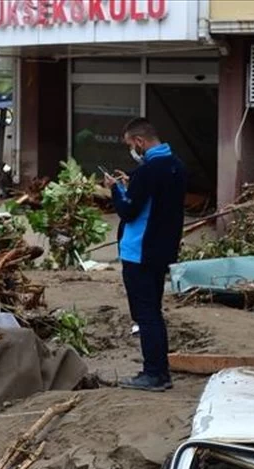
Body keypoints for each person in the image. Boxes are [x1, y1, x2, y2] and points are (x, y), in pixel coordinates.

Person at [108, 117, 187, 392]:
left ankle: (154, 373)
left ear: (140, 142)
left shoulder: (148, 172)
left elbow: (128, 210)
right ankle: (158, 370)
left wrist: (115, 190)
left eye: (131, 145)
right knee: (153, 310)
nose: (132, 150)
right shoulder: (176, 166)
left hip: (139, 251)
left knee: (146, 314)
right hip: (162, 250)